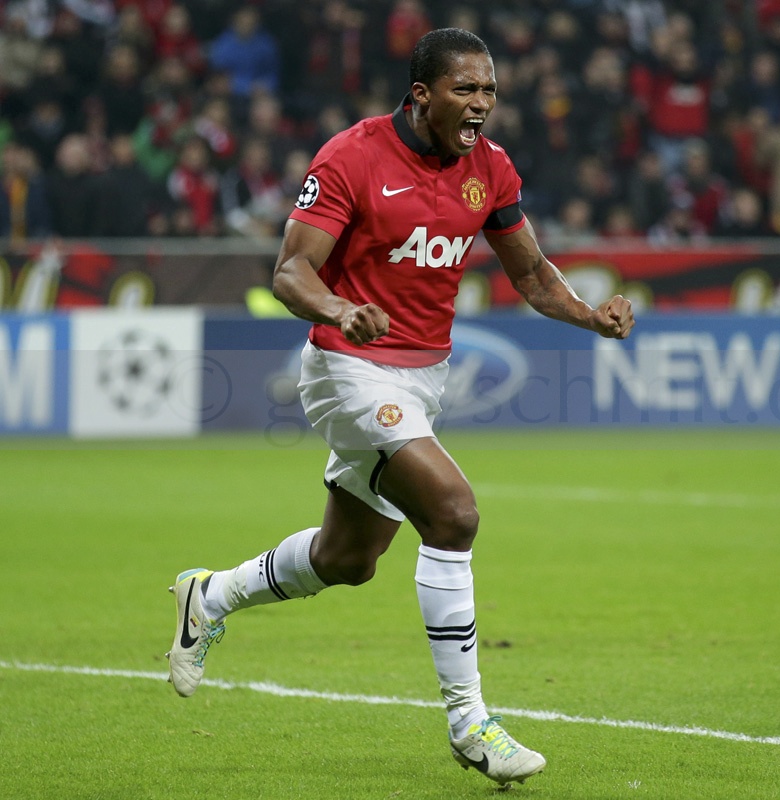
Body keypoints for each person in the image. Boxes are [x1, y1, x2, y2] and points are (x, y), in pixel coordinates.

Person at [166, 28, 635, 787]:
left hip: (423, 378)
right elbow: (290, 273)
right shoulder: (351, 156)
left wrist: (591, 316)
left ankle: (210, 595)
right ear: (422, 95)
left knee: (346, 561)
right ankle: (470, 721)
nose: (480, 104)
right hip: (347, 368)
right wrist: (341, 307)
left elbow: (533, 274)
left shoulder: (491, 168)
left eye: (488, 90)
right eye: (465, 90)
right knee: (452, 512)